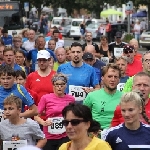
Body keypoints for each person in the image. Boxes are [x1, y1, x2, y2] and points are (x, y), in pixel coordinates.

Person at [34, 73, 75, 150]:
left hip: (65, 134)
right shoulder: (46, 98)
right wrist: (43, 122)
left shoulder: (71, 99)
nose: (59, 87)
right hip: (49, 135)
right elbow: (36, 116)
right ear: (53, 85)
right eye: (57, 85)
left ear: (66, 85)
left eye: (62, 85)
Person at [83, 63, 122, 129]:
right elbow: (83, 116)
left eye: (116, 77)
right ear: (102, 78)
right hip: (97, 133)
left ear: (119, 80)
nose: (113, 80)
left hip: (117, 134)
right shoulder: (92, 96)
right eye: (109, 76)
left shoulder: (125, 97)